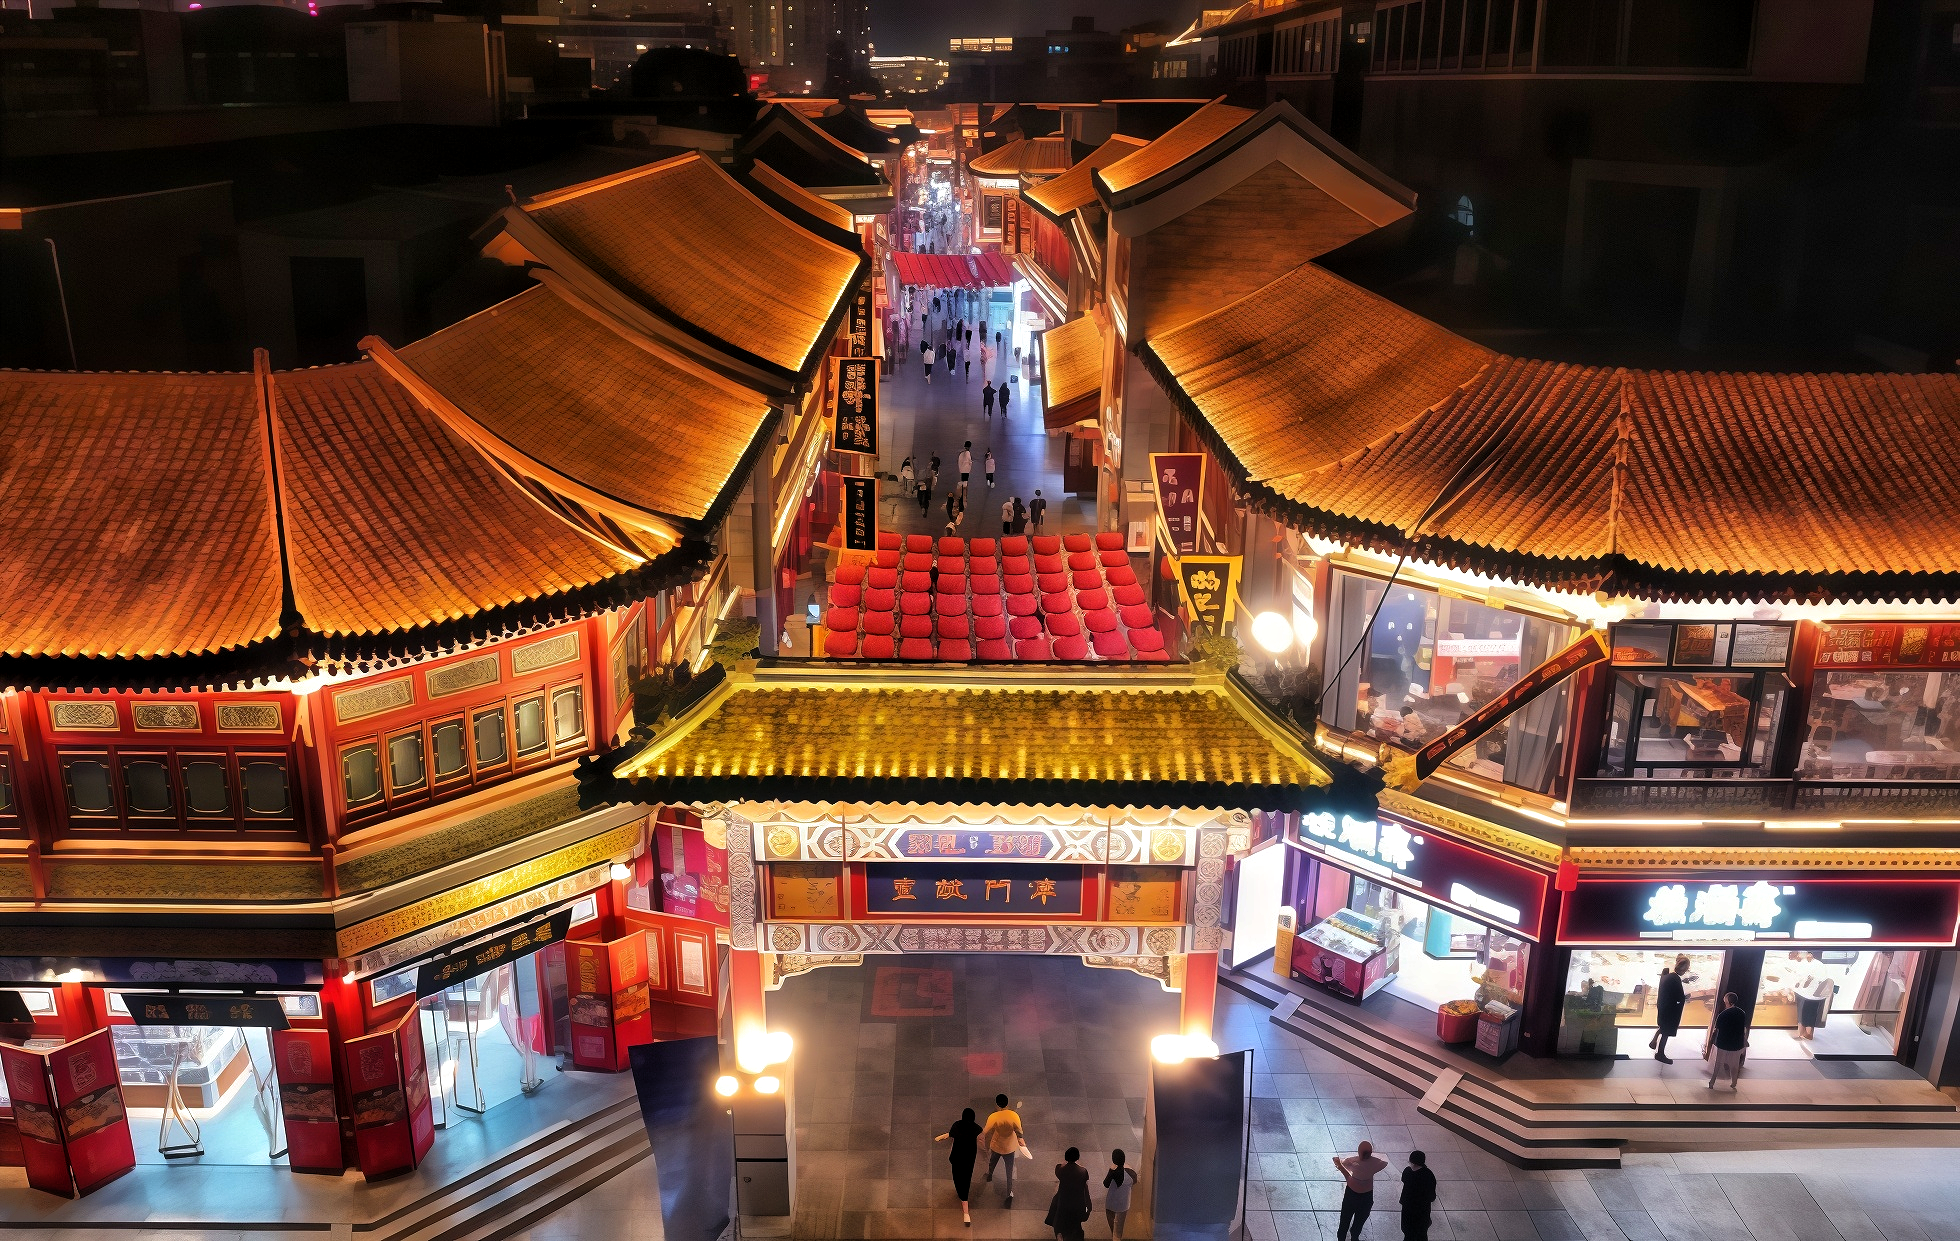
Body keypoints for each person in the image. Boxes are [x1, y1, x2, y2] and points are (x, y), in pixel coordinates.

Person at [1332, 1141, 1388, 1241]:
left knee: (1345, 1219)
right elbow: (1384, 1161)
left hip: (1351, 1195)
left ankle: (1341, 1238)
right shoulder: (1375, 1163)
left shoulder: (1353, 1162)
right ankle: (1354, 1236)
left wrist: (1339, 1165)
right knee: (1359, 1221)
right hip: (1366, 1197)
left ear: (1359, 1152)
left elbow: (1348, 1176)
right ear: (1371, 1152)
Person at [982, 1094, 1023, 1204]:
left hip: (997, 1145)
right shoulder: (1014, 1115)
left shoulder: (993, 1117)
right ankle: (1009, 1193)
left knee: (992, 1162)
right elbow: (1019, 1131)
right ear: (1007, 1103)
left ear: (997, 1104)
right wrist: (1021, 1140)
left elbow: (985, 1131)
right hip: (1010, 1146)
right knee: (1009, 1171)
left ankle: (989, 1175)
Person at [1045, 1148, 1091, 1241]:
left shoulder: (1061, 1170)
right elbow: (1085, 1185)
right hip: (1077, 1204)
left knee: (1061, 1222)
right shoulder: (1083, 1171)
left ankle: (1060, 1235)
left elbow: (1058, 1168)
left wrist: (1064, 1164)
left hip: (1063, 1203)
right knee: (1075, 1225)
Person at [1708, 991, 1750, 1089]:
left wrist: (1712, 1040)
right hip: (1737, 1043)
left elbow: (1717, 1029)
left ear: (1727, 1002)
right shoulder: (1742, 1013)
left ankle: (1712, 1082)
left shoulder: (1723, 1014)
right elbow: (1743, 1028)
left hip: (1723, 1043)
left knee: (1718, 1063)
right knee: (1734, 1064)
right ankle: (1734, 1082)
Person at [1650, 955, 1688, 1063]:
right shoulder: (1675, 979)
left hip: (1664, 1007)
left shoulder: (1666, 975)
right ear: (1683, 969)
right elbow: (1679, 997)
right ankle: (1660, 1054)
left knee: (1663, 1028)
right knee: (1666, 1032)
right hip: (1670, 1011)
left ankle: (1654, 1042)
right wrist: (1685, 997)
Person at [1399, 1150, 1436, 1241]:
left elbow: (1403, 1180)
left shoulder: (1407, 1172)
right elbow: (1432, 1196)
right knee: (1421, 1234)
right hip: (1422, 1210)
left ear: (1411, 1160)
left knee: (1408, 1234)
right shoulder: (1428, 1174)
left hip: (1408, 1208)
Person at [1103, 1150, 1138, 1241]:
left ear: (1113, 1159)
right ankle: (1118, 1237)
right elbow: (1134, 1181)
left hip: (1112, 1201)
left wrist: (1110, 1170)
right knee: (1120, 1224)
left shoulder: (1113, 1172)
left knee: (1111, 1220)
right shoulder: (1131, 1172)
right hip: (1125, 1202)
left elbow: (1106, 1184)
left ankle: (1113, 1235)